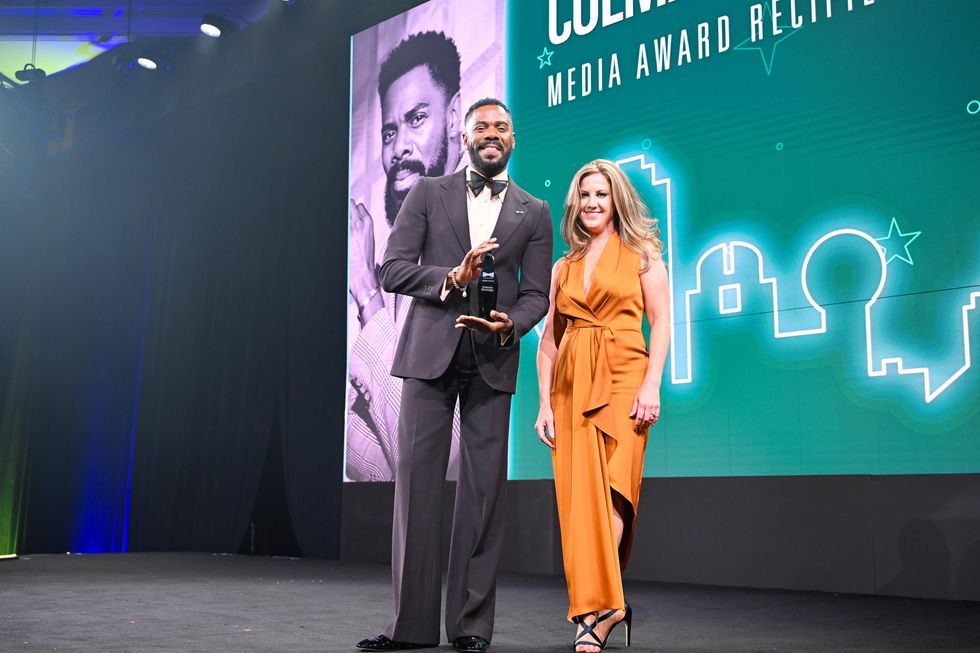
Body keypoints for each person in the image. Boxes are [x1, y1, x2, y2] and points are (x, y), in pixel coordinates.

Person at [356, 98, 552, 652]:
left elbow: (537, 293)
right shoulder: (427, 193)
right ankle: (410, 628)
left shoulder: (533, 211)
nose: (492, 134)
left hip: (492, 358)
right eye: (481, 126)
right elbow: (392, 269)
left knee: (484, 496)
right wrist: (449, 277)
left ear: (513, 139)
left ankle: (470, 626)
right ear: (462, 136)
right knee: (417, 490)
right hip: (429, 355)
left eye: (502, 127)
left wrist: (507, 324)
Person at [535, 159, 669, 653]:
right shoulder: (562, 267)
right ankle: (604, 606)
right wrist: (544, 404)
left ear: (617, 201)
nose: (592, 202)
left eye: (602, 194)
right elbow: (548, 342)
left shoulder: (643, 256)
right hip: (571, 383)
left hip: (625, 374)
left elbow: (663, 322)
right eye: (585, 194)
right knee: (580, 503)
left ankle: (599, 608)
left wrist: (651, 385)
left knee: (615, 489)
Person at [347, 31, 465, 481]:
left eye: (417, 119)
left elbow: (428, 457)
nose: (399, 148)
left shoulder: (473, 243)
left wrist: (366, 293)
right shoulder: (395, 249)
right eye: (390, 131)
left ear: (454, 117)